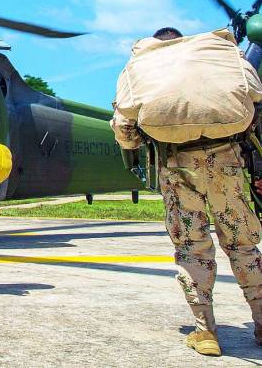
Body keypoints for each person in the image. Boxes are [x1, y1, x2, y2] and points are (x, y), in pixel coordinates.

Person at [111, 26, 262, 357]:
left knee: (193, 248)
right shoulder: (219, 56)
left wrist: (137, 142)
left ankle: (206, 332)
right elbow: (254, 100)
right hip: (228, 163)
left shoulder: (141, 67)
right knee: (243, 245)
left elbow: (124, 128)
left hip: (177, 167)